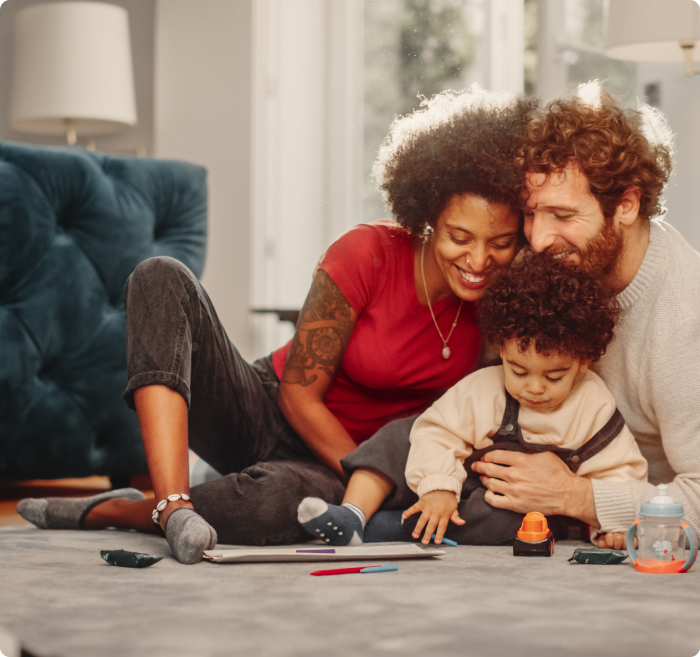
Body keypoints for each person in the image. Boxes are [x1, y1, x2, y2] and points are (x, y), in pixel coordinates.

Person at [17, 87, 536, 563]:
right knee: (159, 276)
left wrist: (375, 483)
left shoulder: (506, 306)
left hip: (336, 469)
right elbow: (298, 396)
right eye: (459, 236)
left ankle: (125, 511)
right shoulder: (367, 252)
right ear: (427, 215)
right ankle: (174, 505)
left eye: (501, 242)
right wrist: (364, 476)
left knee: (273, 508)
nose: (479, 259)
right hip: (267, 409)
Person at [470, 81, 700, 550]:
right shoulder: (546, 269)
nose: (537, 240)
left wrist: (575, 496)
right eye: (532, 214)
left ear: (627, 205)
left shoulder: (685, 316)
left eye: (562, 215)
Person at [297, 256, 648, 546]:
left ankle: (380, 530)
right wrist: (438, 487)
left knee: (505, 524)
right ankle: (352, 512)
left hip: (495, 503)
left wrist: (609, 526)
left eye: (554, 377)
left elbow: (618, 473)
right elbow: (437, 433)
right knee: (398, 437)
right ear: (502, 349)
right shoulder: (486, 387)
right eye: (518, 371)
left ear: (584, 362)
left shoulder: (593, 406)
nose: (534, 388)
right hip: (446, 470)